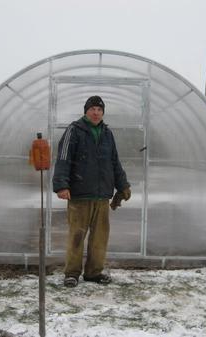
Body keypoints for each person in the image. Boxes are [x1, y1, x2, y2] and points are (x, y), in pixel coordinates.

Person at [53, 95, 131, 288]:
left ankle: (94, 273)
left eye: (99, 109)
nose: (96, 113)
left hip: (102, 196)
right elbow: (63, 159)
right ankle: (72, 274)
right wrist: (62, 185)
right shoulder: (74, 130)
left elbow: (114, 162)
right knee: (77, 236)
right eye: (92, 109)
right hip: (79, 195)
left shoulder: (107, 134)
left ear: (103, 112)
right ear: (86, 111)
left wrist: (123, 185)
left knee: (100, 238)